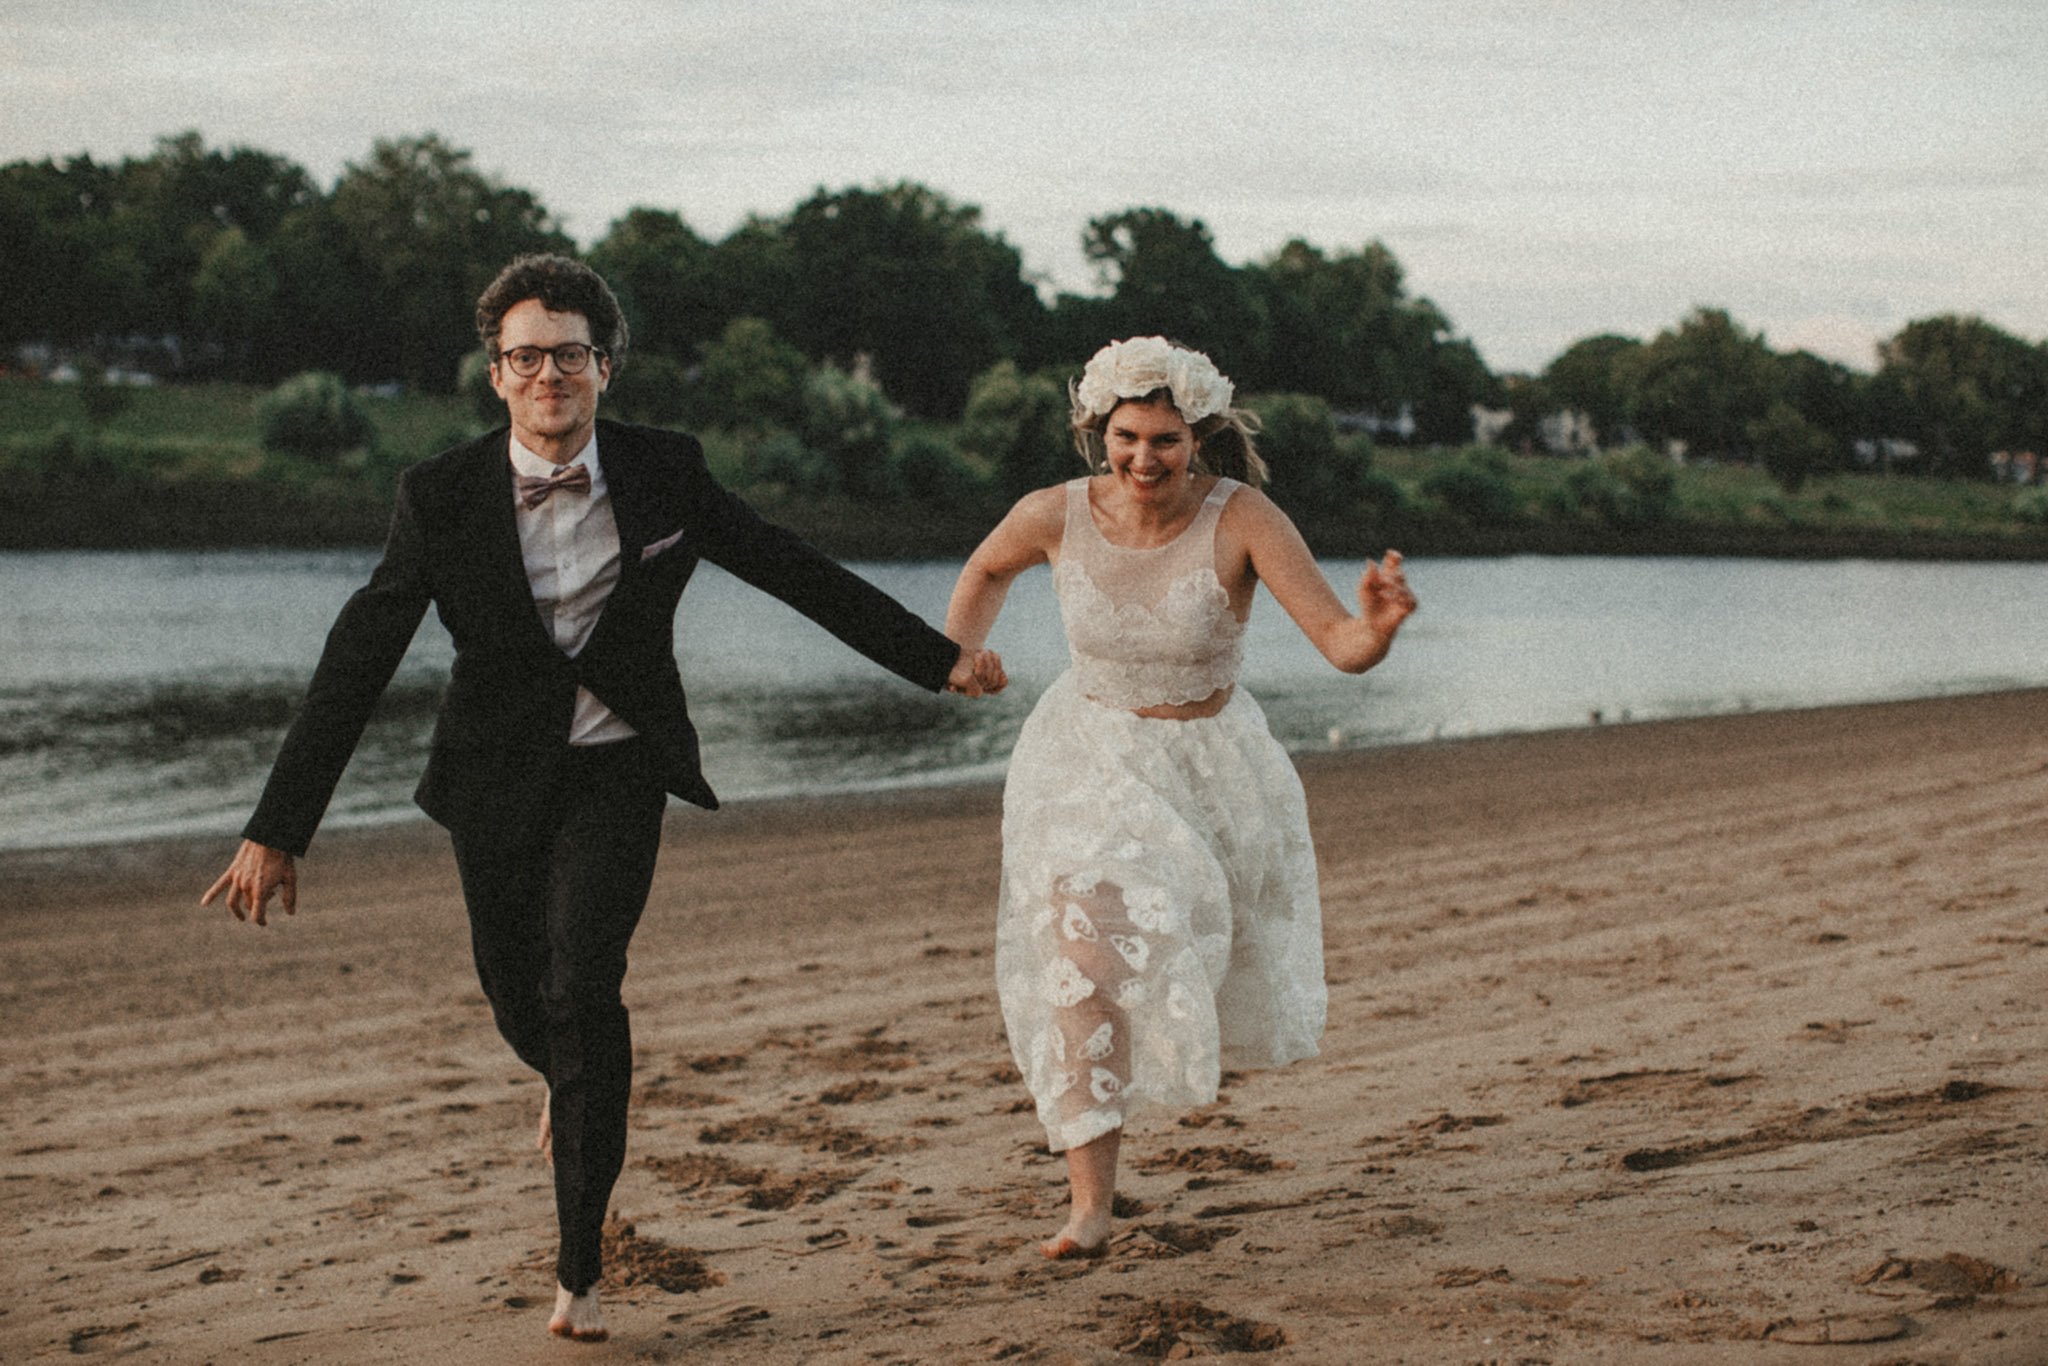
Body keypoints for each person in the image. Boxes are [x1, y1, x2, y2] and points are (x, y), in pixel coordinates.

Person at [202, 253, 1005, 1342]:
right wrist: (275, 829)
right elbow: (359, 656)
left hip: (619, 770)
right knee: (515, 998)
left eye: (568, 355)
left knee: (584, 985)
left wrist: (935, 656)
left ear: (603, 367)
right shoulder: (438, 495)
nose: (549, 376)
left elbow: (786, 564)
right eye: (525, 357)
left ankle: (579, 1269)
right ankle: (571, 1082)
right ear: (495, 375)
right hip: (490, 780)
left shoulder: (666, 471)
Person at [944, 336, 1415, 1258]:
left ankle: (1119, 1138)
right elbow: (986, 569)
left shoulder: (1245, 520)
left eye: (1165, 441)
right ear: (1096, 430)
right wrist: (957, 655)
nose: (1144, 460)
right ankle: (1089, 1206)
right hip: (1084, 752)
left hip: (1207, 767)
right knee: (1081, 955)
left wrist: (1381, 627)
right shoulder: (1053, 513)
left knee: (1160, 953)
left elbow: (1340, 644)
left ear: (1197, 436)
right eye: (1127, 438)